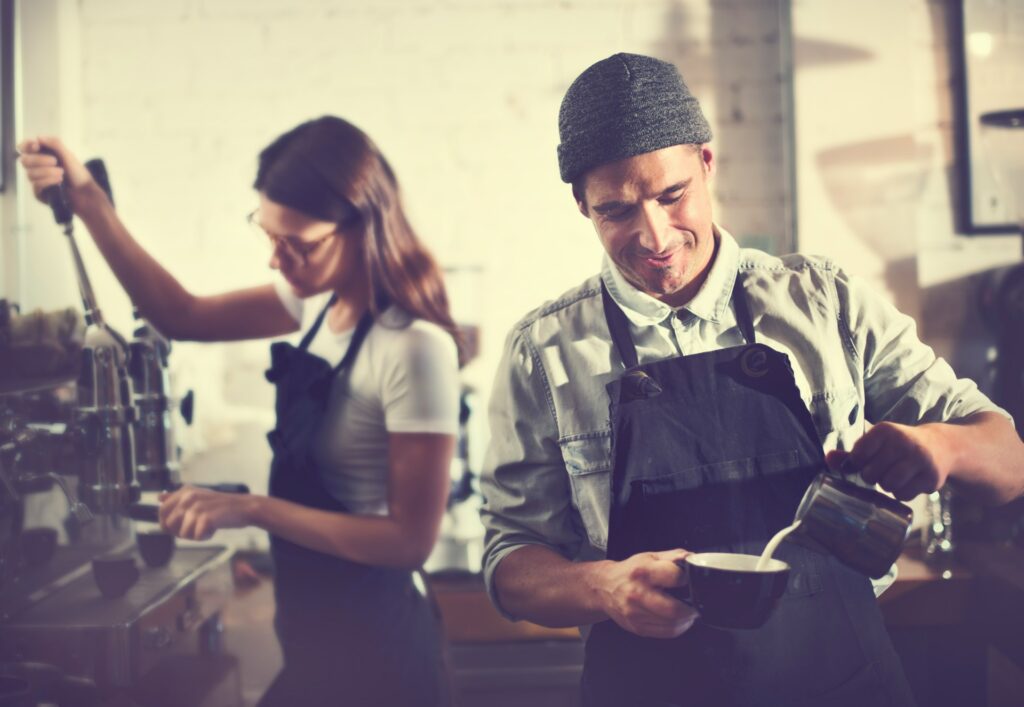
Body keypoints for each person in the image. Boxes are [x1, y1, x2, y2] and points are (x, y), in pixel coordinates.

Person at [479, 53, 1024, 707]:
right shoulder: (544, 353)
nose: (654, 235)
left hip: (841, 683)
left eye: (671, 195)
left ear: (707, 164)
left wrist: (940, 446)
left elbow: (1009, 460)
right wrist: (602, 587)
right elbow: (511, 562)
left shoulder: (824, 302)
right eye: (617, 210)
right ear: (581, 204)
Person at [19, 116, 460, 707]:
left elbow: (409, 541)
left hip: (380, 651)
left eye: (297, 244)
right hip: (311, 637)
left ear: (362, 225)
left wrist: (253, 509)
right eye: (268, 234)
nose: (277, 261)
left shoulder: (415, 346)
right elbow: (181, 315)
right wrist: (89, 199)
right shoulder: (316, 305)